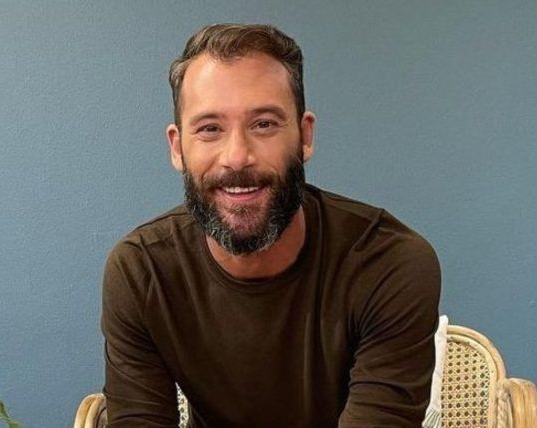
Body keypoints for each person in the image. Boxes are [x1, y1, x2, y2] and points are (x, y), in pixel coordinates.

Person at [101, 23, 441, 428]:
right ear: (177, 147)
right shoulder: (142, 272)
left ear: (304, 136)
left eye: (263, 124)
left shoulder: (389, 264)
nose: (237, 156)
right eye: (210, 129)